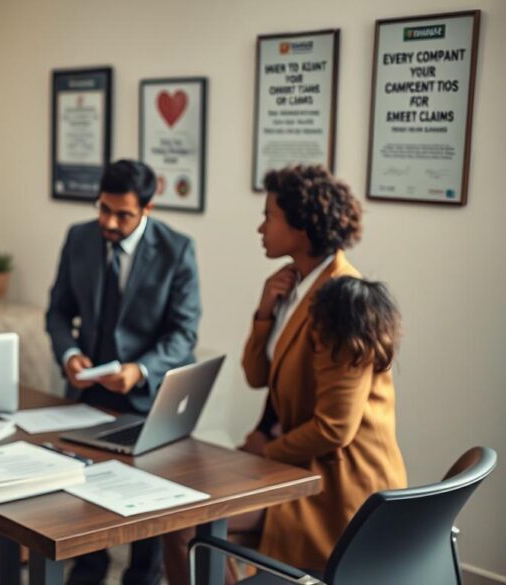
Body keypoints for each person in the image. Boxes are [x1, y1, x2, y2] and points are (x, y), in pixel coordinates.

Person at [162, 165, 408, 583]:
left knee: (185, 525)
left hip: (335, 484)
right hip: (296, 464)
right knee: (181, 508)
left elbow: (334, 429)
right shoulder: (294, 287)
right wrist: (263, 313)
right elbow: (256, 375)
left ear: (302, 228)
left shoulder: (344, 300)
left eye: (269, 216)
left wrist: (263, 452)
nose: (260, 228)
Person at [46, 159, 201, 585]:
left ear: (147, 209)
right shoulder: (79, 238)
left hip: (148, 401)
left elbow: (184, 333)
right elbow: (58, 311)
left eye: (123, 214)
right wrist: (69, 353)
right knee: (83, 506)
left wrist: (141, 369)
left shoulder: (178, 250)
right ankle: (86, 575)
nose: (109, 222)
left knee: (145, 523)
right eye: (103, 208)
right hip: (88, 397)